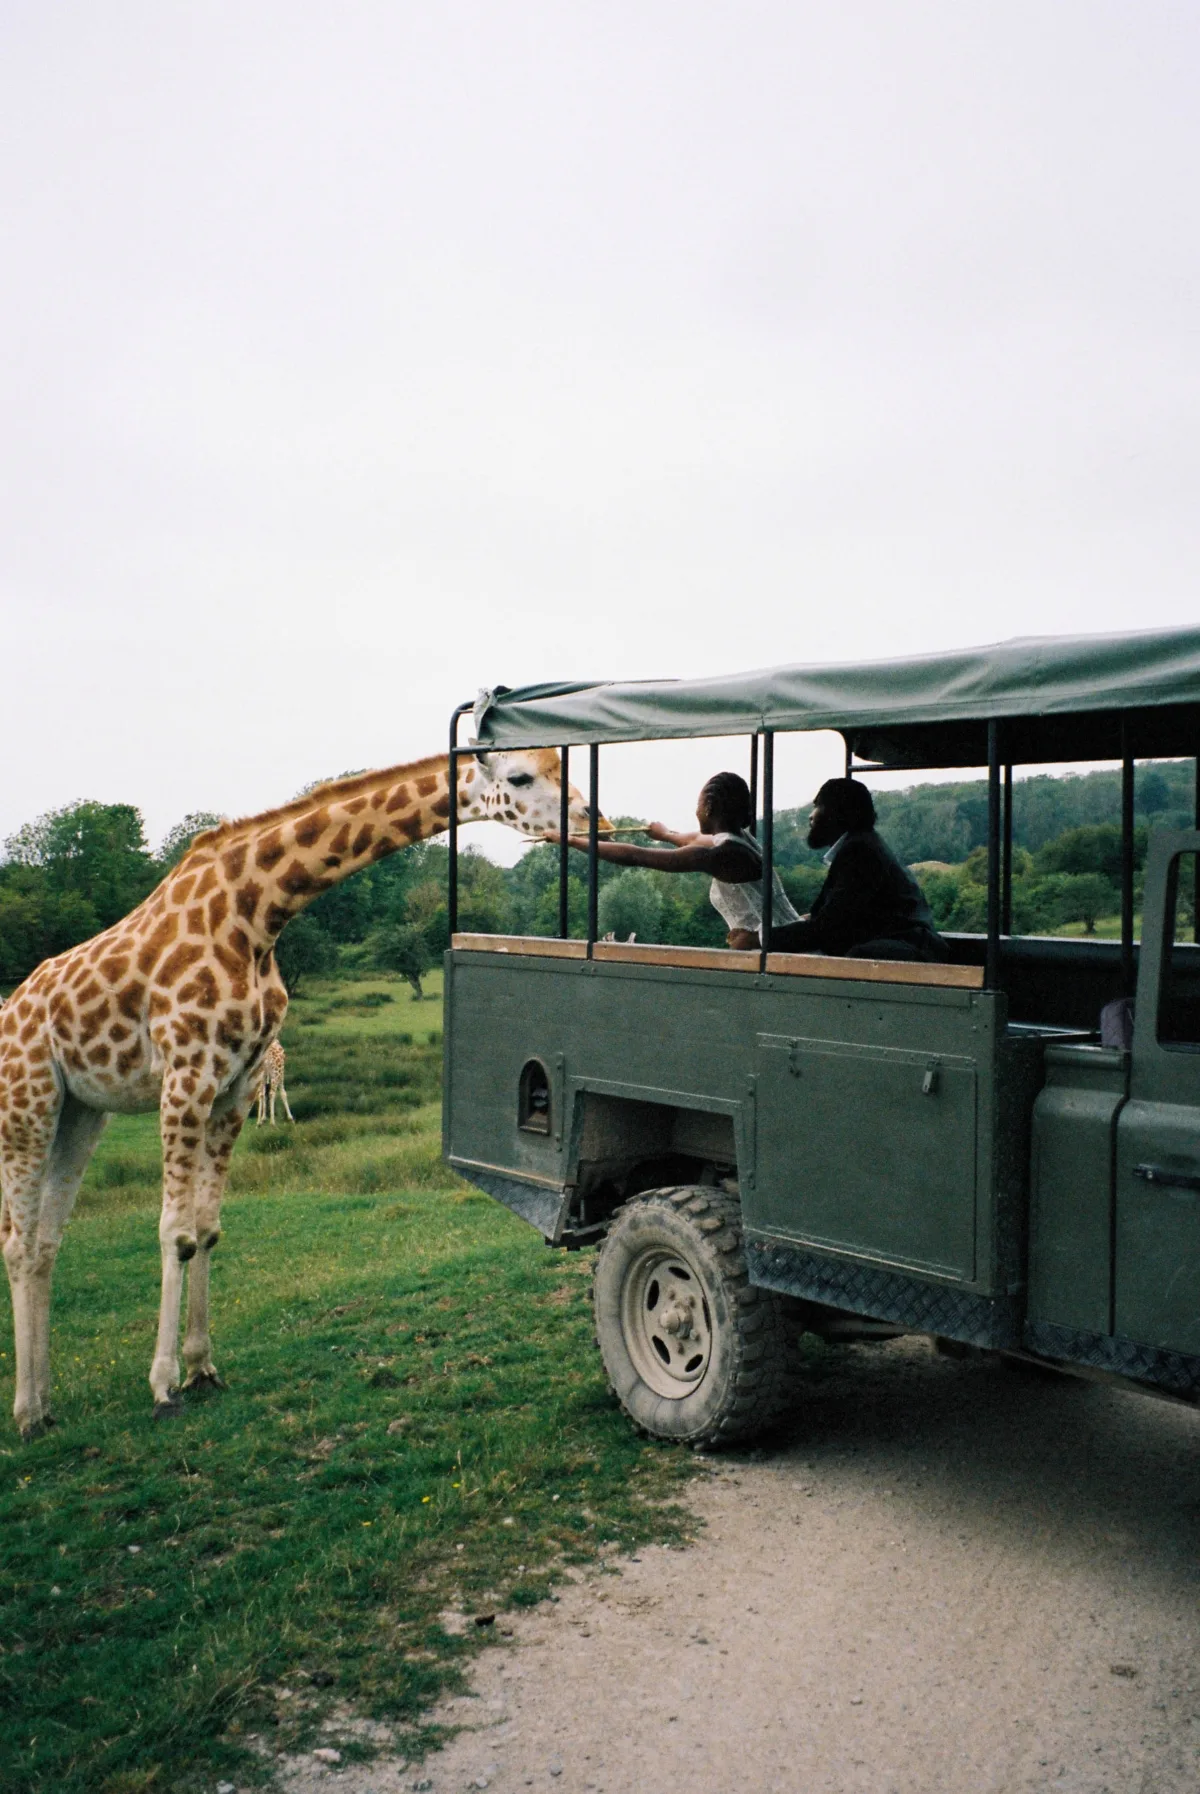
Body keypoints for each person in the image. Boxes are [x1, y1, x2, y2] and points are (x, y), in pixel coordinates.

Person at [546, 770, 800, 948]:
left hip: (782, 952)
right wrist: (665, 834)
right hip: (786, 944)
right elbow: (693, 839)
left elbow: (637, 856)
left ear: (708, 808)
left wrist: (570, 840)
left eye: (698, 804)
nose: (695, 810)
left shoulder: (724, 856)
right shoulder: (739, 840)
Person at [769, 778, 947, 962]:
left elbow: (830, 926)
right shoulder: (865, 843)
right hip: (911, 945)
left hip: (907, 950)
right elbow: (843, 915)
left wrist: (762, 938)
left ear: (838, 812)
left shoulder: (859, 851)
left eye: (818, 806)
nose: (811, 816)